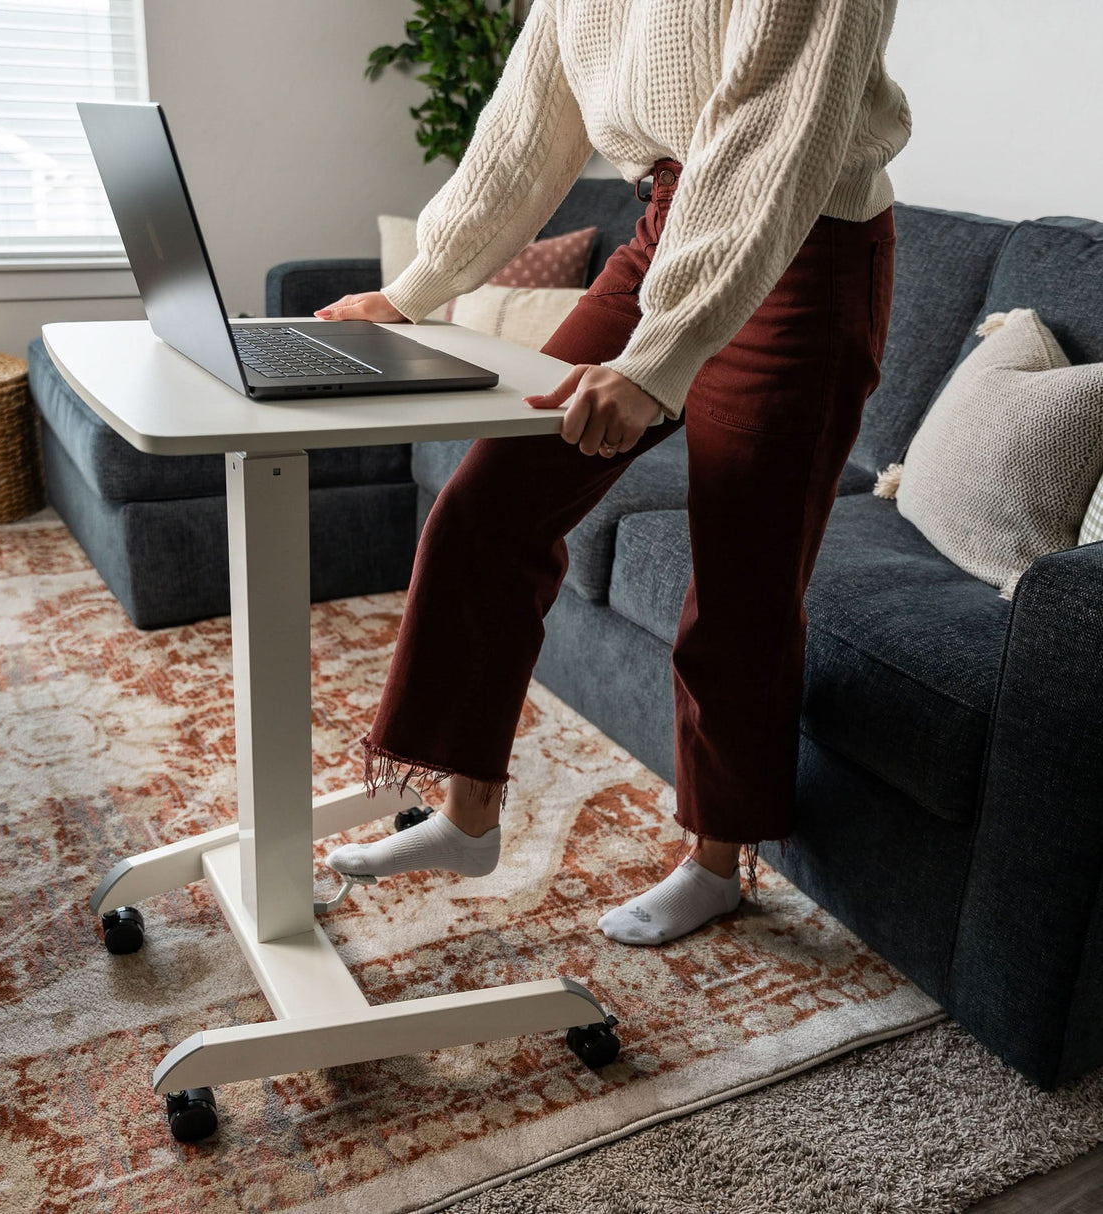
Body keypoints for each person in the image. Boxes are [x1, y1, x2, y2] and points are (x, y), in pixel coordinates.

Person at [316, 0, 911, 946]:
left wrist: (656, 358)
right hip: (666, 227)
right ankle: (468, 815)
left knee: (741, 583)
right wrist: (415, 286)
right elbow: (525, 131)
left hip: (805, 240)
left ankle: (717, 864)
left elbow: (771, 139)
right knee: (488, 508)